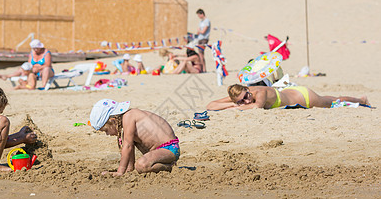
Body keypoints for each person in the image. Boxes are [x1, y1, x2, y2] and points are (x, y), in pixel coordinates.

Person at [89, 99, 180, 176]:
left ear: (113, 121)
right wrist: (128, 170)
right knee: (127, 140)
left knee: (141, 165)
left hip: (169, 148)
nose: (107, 134)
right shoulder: (127, 127)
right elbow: (129, 147)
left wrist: (120, 172)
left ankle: (169, 167)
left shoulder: (129, 116)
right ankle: (132, 168)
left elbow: (127, 147)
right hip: (159, 151)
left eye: (106, 130)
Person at [206, 84, 370, 111]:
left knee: (333, 101)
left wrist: (237, 106)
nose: (247, 100)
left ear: (248, 90)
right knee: (332, 99)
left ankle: (361, 100)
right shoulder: (240, 99)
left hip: (303, 97)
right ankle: (360, 99)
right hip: (291, 93)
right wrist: (232, 105)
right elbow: (210, 105)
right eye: (242, 100)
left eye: (246, 96)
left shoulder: (259, 93)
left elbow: (257, 107)